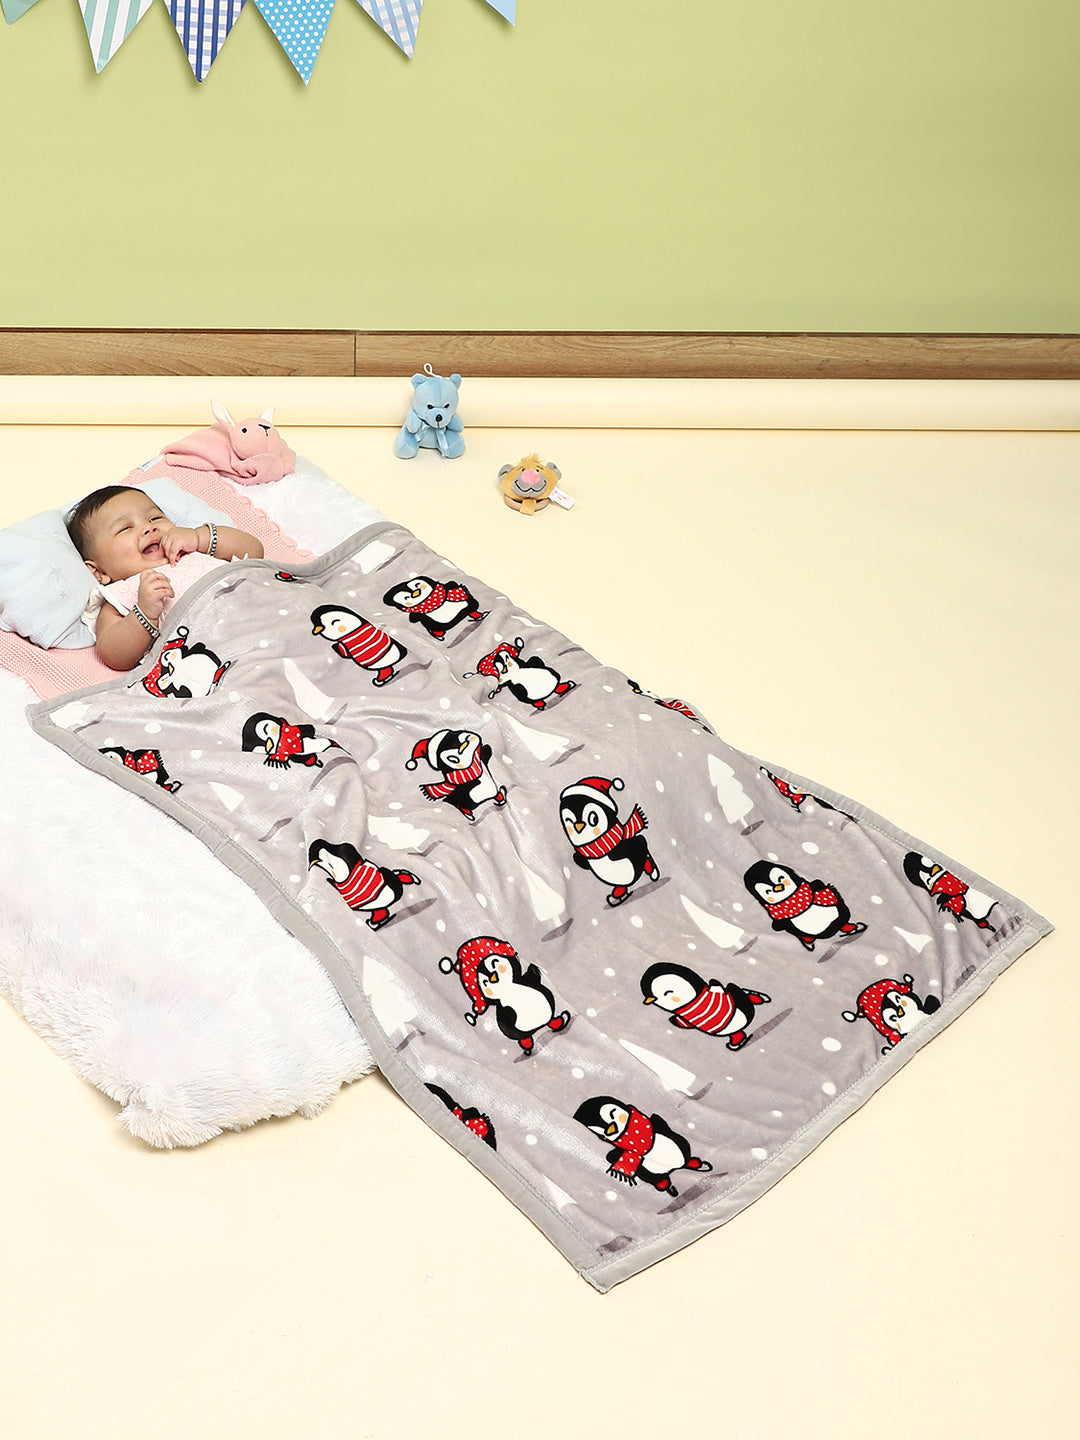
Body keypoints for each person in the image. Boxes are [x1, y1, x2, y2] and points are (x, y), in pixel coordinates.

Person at [67, 485, 263, 671]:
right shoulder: (120, 596)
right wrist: (144, 613)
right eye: (125, 528)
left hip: (263, 609)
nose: (148, 527)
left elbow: (254, 551)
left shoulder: (192, 549)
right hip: (224, 653)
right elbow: (114, 655)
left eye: (155, 518)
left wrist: (198, 538)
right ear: (99, 572)